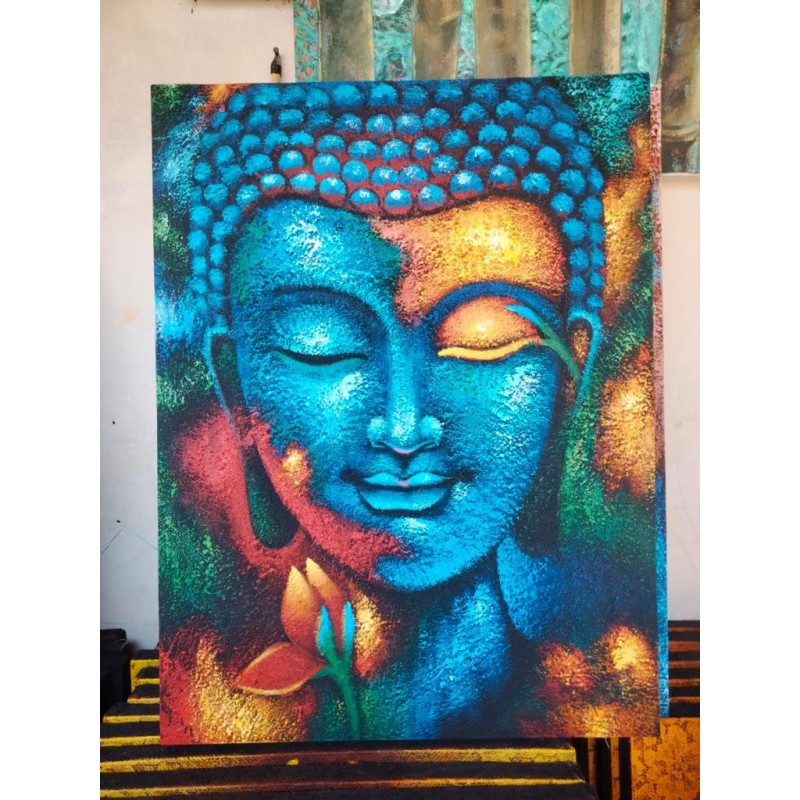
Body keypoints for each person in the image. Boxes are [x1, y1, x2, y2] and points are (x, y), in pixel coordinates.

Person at [156, 78, 660, 743]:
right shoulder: (211, 696)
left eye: (485, 340)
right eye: (320, 346)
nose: (402, 427)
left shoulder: (597, 695)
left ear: (568, 383)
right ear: (234, 386)